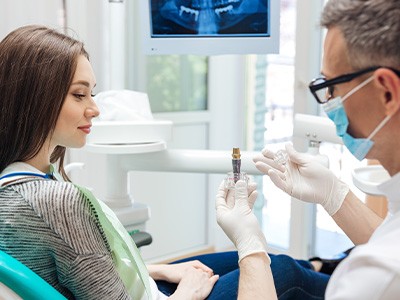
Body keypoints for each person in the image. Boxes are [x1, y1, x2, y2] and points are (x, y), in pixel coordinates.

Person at [0, 24, 334, 300]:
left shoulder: (19, 184)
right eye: (79, 94)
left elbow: (83, 273)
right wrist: (186, 292)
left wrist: (159, 270)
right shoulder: (56, 201)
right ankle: (357, 280)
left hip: (140, 287)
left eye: (93, 93)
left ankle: (329, 266)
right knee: (284, 273)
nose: (95, 108)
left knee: (266, 261)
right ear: (36, 97)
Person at [218, 0, 400, 298]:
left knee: (284, 272)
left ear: (387, 92)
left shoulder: (377, 277)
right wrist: (334, 195)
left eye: (333, 86)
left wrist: (251, 248)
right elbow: (389, 237)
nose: (328, 101)